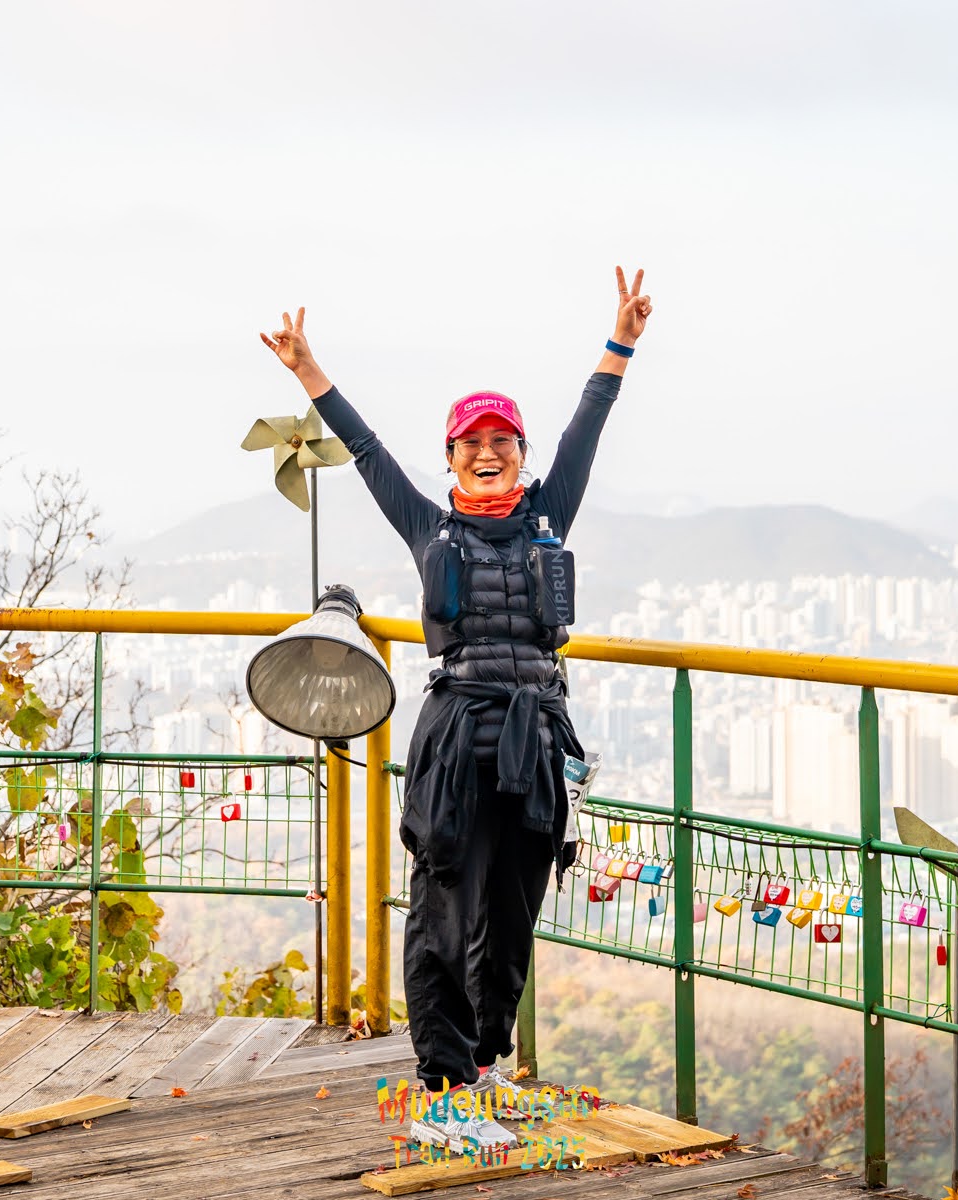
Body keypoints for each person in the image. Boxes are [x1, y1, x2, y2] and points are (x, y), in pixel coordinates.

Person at [259, 267, 652, 1154]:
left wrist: (619, 344)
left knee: (513, 908)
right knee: (444, 903)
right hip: (454, 736)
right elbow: (366, 453)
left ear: (519, 454)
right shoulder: (429, 524)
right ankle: (439, 1083)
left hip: (535, 736)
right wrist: (309, 374)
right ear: (449, 457)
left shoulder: (549, 515)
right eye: (470, 443)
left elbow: (586, 430)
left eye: (501, 441)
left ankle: (482, 1064)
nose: (487, 453)